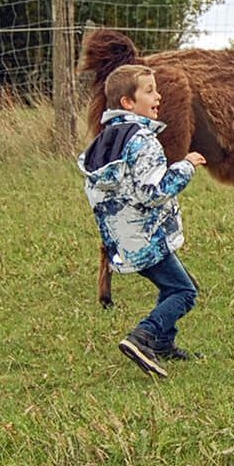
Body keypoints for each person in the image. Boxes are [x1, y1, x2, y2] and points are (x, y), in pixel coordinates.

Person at [78, 64, 207, 377]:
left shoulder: (108, 139)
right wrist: (186, 165)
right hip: (145, 234)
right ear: (127, 102)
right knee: (184, 292)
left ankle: (164, 344)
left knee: (173, 285)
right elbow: (154, 191)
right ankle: (143, 337)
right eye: (149, 91)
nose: (158, 96)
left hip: (124, 235)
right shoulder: (142, 141)